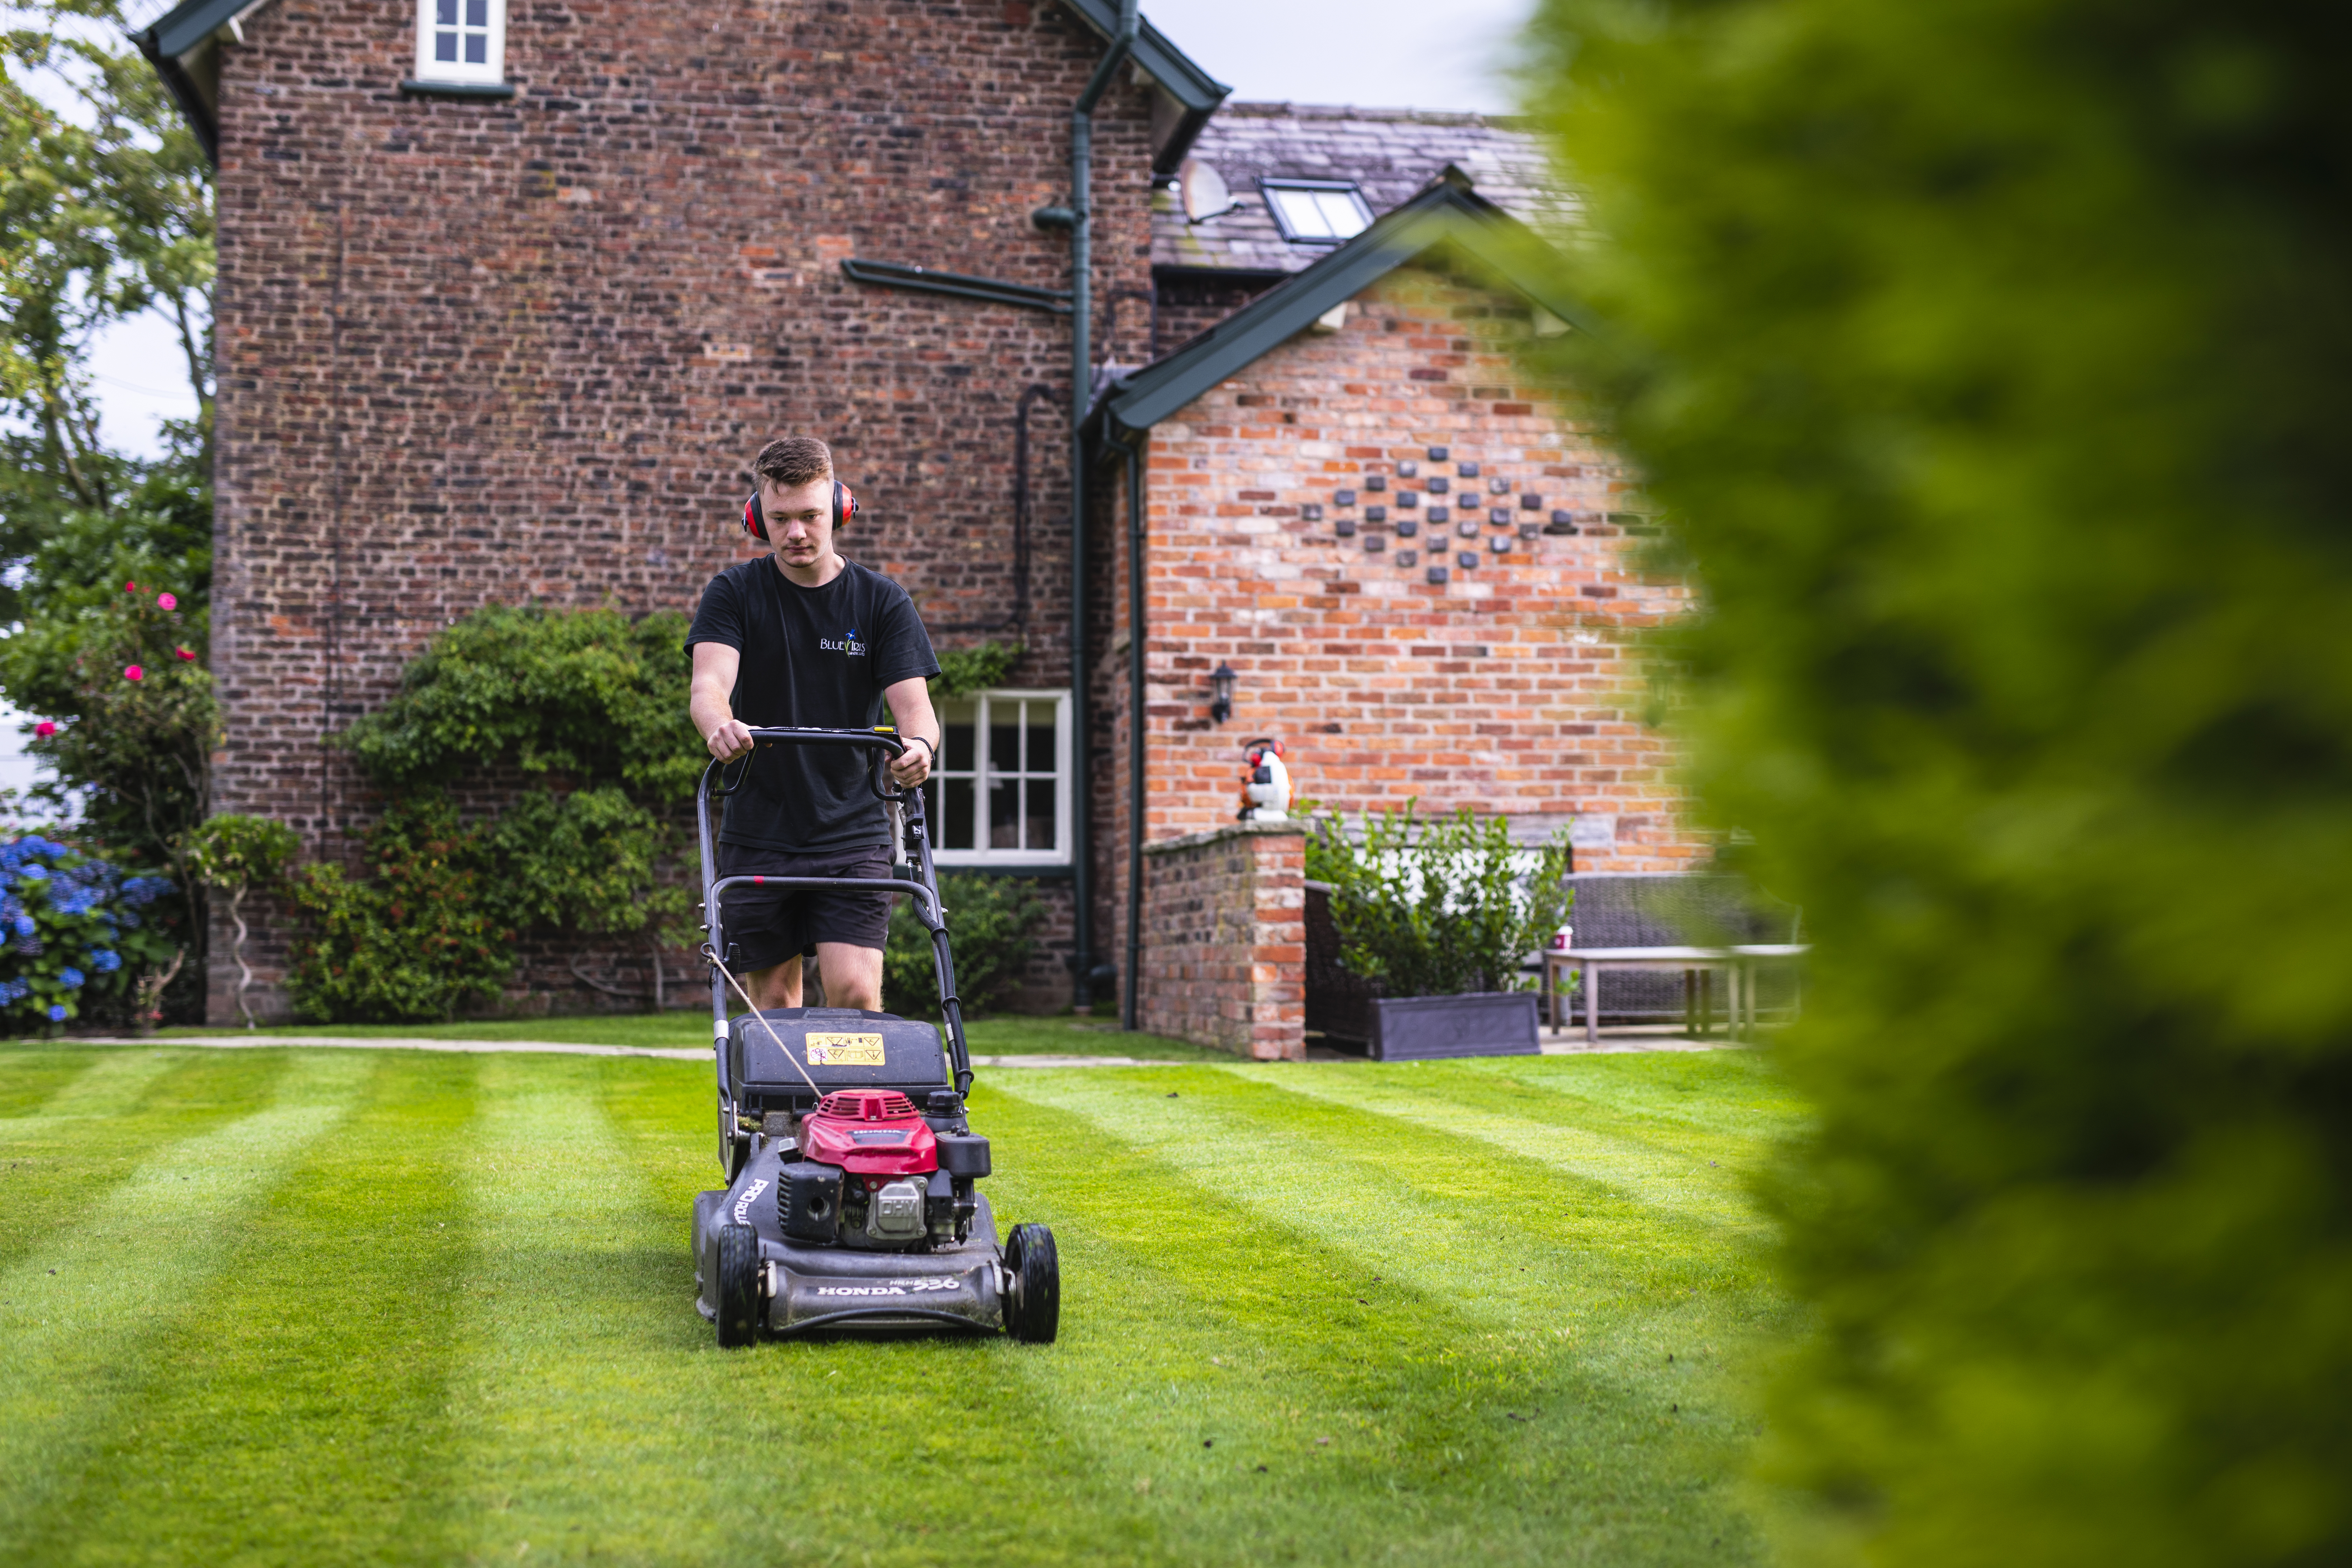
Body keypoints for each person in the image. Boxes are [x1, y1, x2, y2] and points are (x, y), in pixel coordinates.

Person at [686, 436, 941, 1013]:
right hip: (759, 829)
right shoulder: (735, 593)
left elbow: (916, 710)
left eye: (809, 516)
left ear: (838, 509)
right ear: (758, 518)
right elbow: (708, 687)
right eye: (780, 519)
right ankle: (785, 1109)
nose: (796, 533)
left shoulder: (881, 603)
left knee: (854, 993)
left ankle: (852, 1108)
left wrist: (920, 747)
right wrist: (719, 726)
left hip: (852, 828)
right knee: (775, 1002)